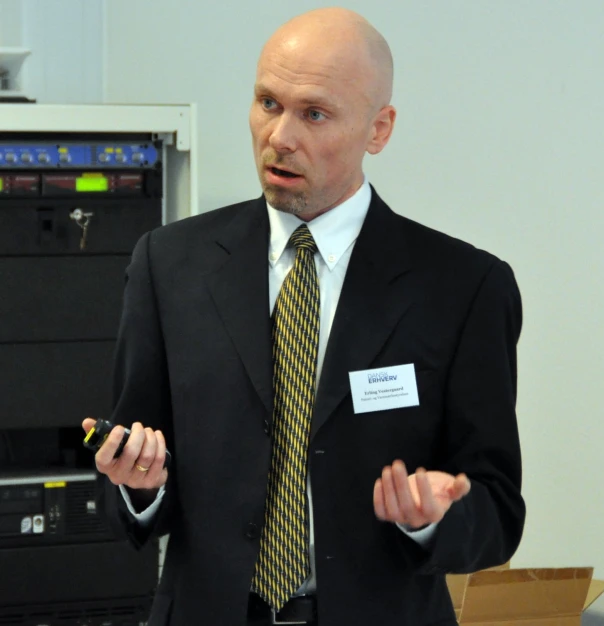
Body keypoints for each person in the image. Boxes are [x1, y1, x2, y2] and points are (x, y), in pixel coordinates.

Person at [82, 7, 525, 626]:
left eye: (314, 114)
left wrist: (437, 518)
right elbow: (128, 476)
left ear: (379, 129)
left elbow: (499, 509)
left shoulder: (463, 287)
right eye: (268, 103)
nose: (280, 136)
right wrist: (138, 484)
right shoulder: (169, 264)